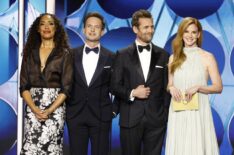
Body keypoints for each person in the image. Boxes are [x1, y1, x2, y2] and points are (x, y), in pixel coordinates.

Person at [111, 9, 171, 155]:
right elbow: (114, 86)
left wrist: (164, 114)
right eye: (146, 27)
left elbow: (167, 88)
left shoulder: (163, 55)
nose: (150, 30)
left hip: (156, 120)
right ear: (135, 29)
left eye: (152, 26)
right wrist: (133, 92)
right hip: (130, 118)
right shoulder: (122, 54)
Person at [165, 17, 223, 155]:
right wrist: (171, 88)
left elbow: (218, 87)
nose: (190, 36)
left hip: (199, 111)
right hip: (178, 111)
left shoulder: (208, 57)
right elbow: (170, 84)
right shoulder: (173, 58)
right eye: (186, 31)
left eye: (193, 32)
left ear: (198, 34)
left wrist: (198, 87)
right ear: (181, 33)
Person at [20, 13, 73, 154]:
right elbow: (24, 86)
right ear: (38, 29)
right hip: (32, 108)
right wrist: (34, 109)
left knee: (52, 149)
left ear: (56, 29)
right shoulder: (29, 53)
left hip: (55, 109)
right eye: (43, 24)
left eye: (51, 24)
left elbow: (66, 88)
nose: (46, 27)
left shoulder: (64, 54)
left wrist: (49, 110)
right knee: (30, 148)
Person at [66, 12, 116, 155]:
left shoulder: (112, 57)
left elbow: (118, 86)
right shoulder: (70, 54)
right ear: (83, 29)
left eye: (97, 27)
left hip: (101, 115)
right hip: (75, 115)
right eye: (89, 26)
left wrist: (113, 110)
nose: (93, 30)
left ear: (103, 31)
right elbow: (64, 84)